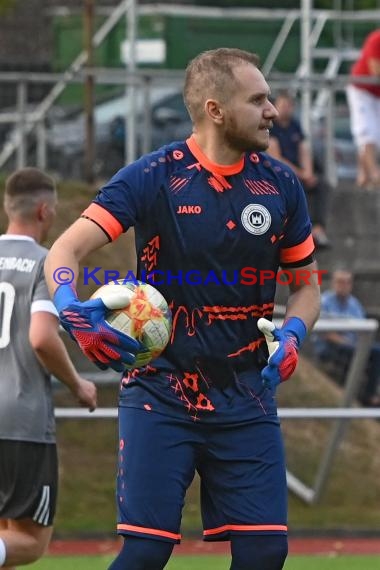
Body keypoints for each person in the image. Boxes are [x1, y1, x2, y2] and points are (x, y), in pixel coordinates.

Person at [44, 48, 320, 570]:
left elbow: (307, 288)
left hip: (248, 397)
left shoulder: (281, 186)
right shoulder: (152, 177)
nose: (273, 111)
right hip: (160, 395)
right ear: (215, 109)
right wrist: (71, 309)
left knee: (266, 551)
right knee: (146, 551)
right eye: (257, 99)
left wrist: (295, 334)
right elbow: (65, 251)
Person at [0, 168, 97, 570]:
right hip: (19, 417)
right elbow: (42, 337)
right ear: (45, 211)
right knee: (30, 540)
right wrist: (77, 384)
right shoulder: (47, 264)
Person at [267, 90, 331, 249]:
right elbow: (276, 158)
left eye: (289, 105)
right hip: (280, 174)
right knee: (297, 187)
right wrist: (301, 174)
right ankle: (303, 232)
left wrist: (308, 172)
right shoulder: (271, 127)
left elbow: (304, 149)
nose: (286, 108)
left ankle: (318, 228)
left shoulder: (295, 125)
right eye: (282, 105)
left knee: (321, 185)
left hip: (298, 172)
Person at [313, 269, 380, 407]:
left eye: (347, 282)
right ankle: (347, 395)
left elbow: (363, 330)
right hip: (330, 346)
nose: (343, 285)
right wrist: (348, 342)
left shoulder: (354, 304)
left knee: (377, 351)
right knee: (351, 352)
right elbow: (325, 333)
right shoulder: (324, 301)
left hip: (353, 344)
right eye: (340, 282)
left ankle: (369, 394)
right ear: (333, 283)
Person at [347, 29, 380, 189]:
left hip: (376, 93)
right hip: (362, 89)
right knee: (367, 131)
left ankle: (364, 175)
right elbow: (376, 71)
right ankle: (374, 175)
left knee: (374, 133)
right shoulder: (376, 39)